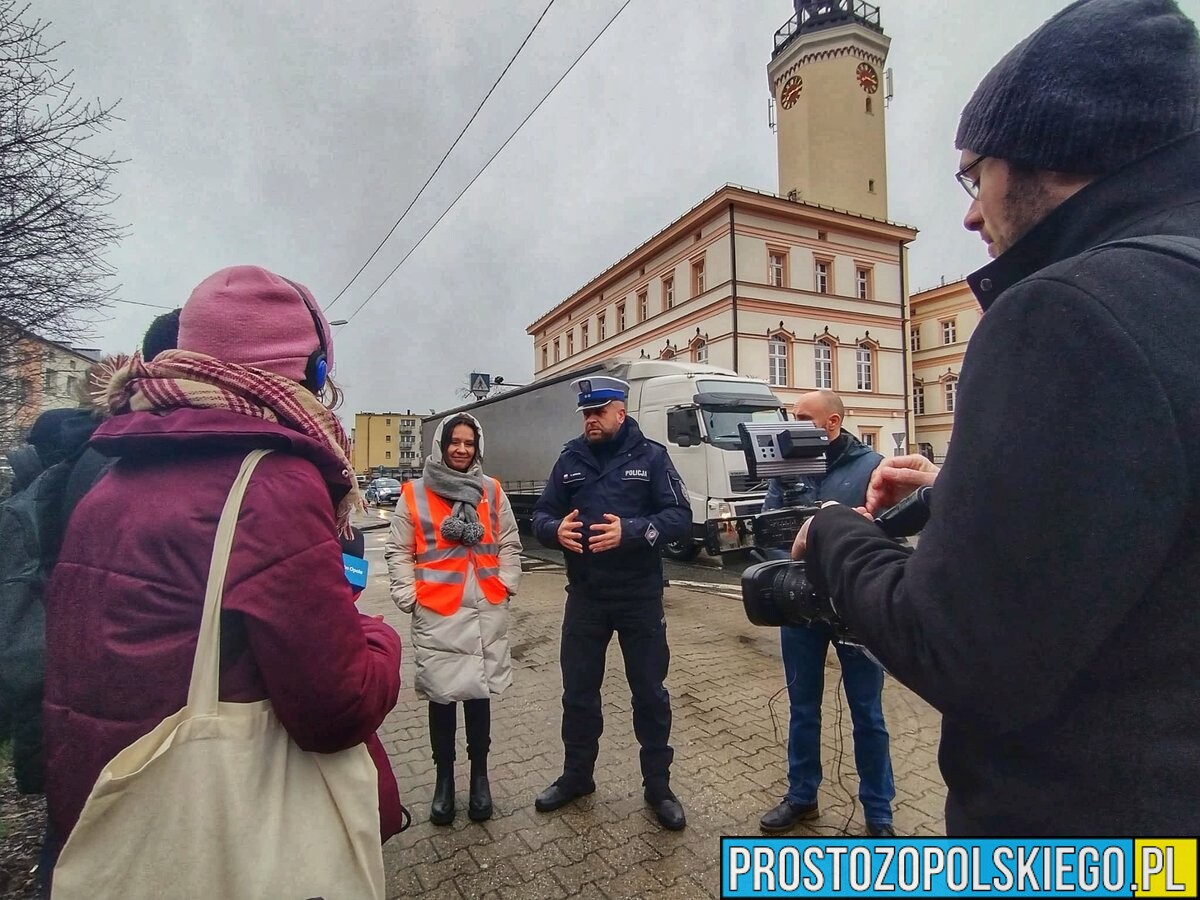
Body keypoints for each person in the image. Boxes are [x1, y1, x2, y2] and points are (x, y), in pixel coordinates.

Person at [793, 0, 1200, 835]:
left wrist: (836, 533)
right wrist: (966, 485)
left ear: (1047, 152)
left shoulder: (1065, 309)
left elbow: (962, 648)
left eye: (977, 175)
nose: (973, 212)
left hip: (1087, 830)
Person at [40, 266, 405, 869]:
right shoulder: (273, 482)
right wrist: (379, 637)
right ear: (312, 370)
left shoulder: (111, 475)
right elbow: (335, 709)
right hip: (215, 837)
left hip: (106, 818)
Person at [531, 375, 691, 830]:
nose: (590, 420)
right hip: (585, 598)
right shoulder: (570, 459)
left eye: (598, 412)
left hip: (639, 596)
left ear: (620, 412)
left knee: (650, 695)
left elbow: (680, 517)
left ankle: (658, 787)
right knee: (578, 694)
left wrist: (633, 531)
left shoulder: (652, 457)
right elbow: (542, 513)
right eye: (585, 413)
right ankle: (577, 777)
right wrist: (552, 531)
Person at [757, 391, 894, 837]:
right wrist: (792, 570)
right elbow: (768, 528)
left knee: (867, 713)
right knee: (802, 707)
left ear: (831, 423)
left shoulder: (870, 466)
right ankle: (802, 797)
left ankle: (879, 814)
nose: (790, 423)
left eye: (801, 417)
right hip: (799, 609)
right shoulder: (786, 464)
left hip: (856, 609)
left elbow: (889, 537)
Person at [384, 412, 521, 826]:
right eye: (454, 442)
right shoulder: (415, 493)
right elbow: (398, 551)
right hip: (438, 611)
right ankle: (444, 782)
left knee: (478, 699)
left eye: (469, 443)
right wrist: (408, 596)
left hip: (483, 610)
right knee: (442, 701)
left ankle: (480, 779)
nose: (461, 450)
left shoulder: (492, 490)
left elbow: (510, 541)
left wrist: (507, 582)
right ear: (441, 446)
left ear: (478, 447)